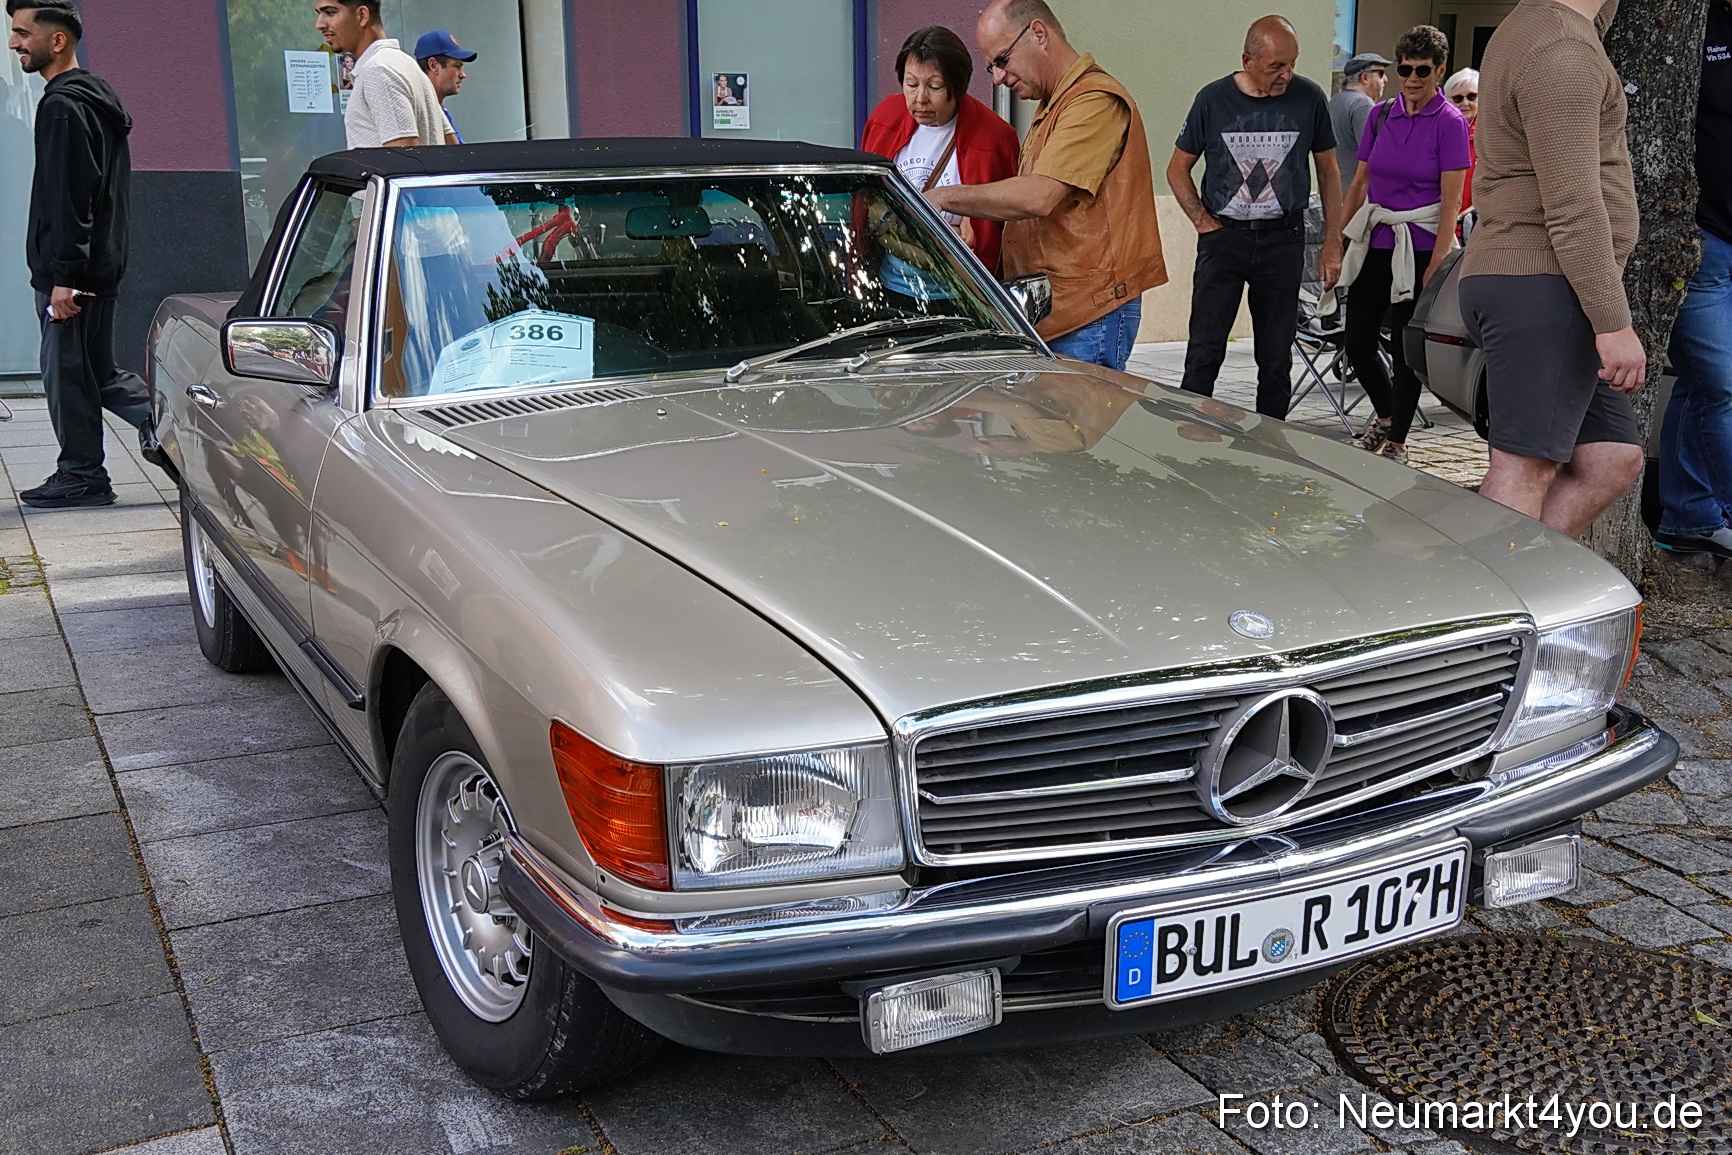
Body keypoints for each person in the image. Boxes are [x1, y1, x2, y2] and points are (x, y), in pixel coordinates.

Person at [1459, 0, 1644, 538]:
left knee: (1612, 458)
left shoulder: (1547, 28)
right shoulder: (1561, 52)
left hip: (1552, 283)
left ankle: (1528, 589)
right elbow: (1573, 206)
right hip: (1542, 281)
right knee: (1522, 469)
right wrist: (1613, 323)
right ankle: (1484, 610)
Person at [925, 0, 1166, 372]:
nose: (997, 78)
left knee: (1071, 429)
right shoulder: (1056, 103)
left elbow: (1039, 197)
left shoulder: (1094, 102)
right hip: (1054, 310)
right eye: (992, 65)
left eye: (1002, 60)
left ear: (1038, 33)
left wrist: (944, 198)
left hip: (1087, 314)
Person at [7, 0, 149, 509]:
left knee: (68, 376)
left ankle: (83, 475)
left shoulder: (63, 106)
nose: (14, 44)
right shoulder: (91, 99)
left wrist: (64, 275)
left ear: (58, 39)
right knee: (98, 373)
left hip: (73, 272)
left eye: (23, 33)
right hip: (95, 264)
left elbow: (71, 197)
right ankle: (185, 436)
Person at [1169, 16, 1344, 419]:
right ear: (1247, 60)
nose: (1287, 75)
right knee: (1204, 353)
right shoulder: (1212, 100)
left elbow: (1329, 172)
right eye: (1276, 66)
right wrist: (1200, 219)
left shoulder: (1310, 98)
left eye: (1292, 64)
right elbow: (1177, 168)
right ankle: (1188, 445)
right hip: (1224, 238)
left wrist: (1333, 241)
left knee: (1276, 357)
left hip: (1283, 239)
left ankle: (1274, 451)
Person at [1337, 25, 1470, 464]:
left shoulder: (1449, 123)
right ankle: (1386, 414)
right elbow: (1359, 182)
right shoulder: (1379, 116)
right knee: (1356, 339)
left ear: (1439, 70)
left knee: (1404, 350)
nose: (1412, 79)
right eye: (1405, 70)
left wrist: (1437, 262)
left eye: (1422, 70)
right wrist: (1336, 241)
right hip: (1377, 237)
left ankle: (1397, 441)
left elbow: (1451, 201)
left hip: (1420, 243)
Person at [1653, 0, 1732, 558]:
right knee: (1724, 385)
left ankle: (1688, 516)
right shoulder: (1692, 24)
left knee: (1699, 384)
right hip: (1704, 243)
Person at [861, 26, 1020, 273]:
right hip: (890, 281)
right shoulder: (885, 117)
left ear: (958, 88)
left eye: (934, 87)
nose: (920, 98)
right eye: (911, 84)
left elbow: (983, 237)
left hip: (960, 290)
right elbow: (866, 203)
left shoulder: (993, 139)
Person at [315, 0, 445, 149]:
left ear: (362, 15)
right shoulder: (406, 63)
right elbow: (451, 142)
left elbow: (404, 159)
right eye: (319, 14)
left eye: (330, 13)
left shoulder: (378, 70)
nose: (319, 24)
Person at [1328, 52, 1390, 197]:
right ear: (1365, 77)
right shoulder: (1363, 104)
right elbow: (1374, 155)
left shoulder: (1334, 102)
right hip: (1355, 198)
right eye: (1381, 73)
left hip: (1332, 193)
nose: (1385, 79)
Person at [414, 29, 474, 145]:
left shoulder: (441, 112)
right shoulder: (422, 115)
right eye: (457, 66)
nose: (463, 75)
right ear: (433, 65)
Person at [1443, 67, 1479, 213]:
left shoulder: (1489, 135)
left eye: (1471, 97)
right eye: (1458, 98)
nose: (1465, 103)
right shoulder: (1438, 133)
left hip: (1474, 222)